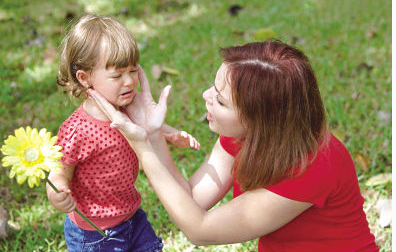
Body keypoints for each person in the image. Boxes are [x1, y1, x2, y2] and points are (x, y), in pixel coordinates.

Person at [89, 41, 379, 252]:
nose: (206, 96)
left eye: (221, 100)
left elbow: (200, 230)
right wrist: (152, 134)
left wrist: (144, 147)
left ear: (260, 119)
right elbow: (193, 201)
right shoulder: (246, 134)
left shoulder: (312, 164)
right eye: (214, 89)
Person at [46, 14, 199, 252]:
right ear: (85, 78)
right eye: (117, 75)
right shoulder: (78, 129)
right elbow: (58, 171)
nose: (129, 82)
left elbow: (147, 126)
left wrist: (172, 134)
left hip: (132, 217)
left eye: (132, 71)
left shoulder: (127, 107)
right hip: (95, 232)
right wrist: (57, 191)